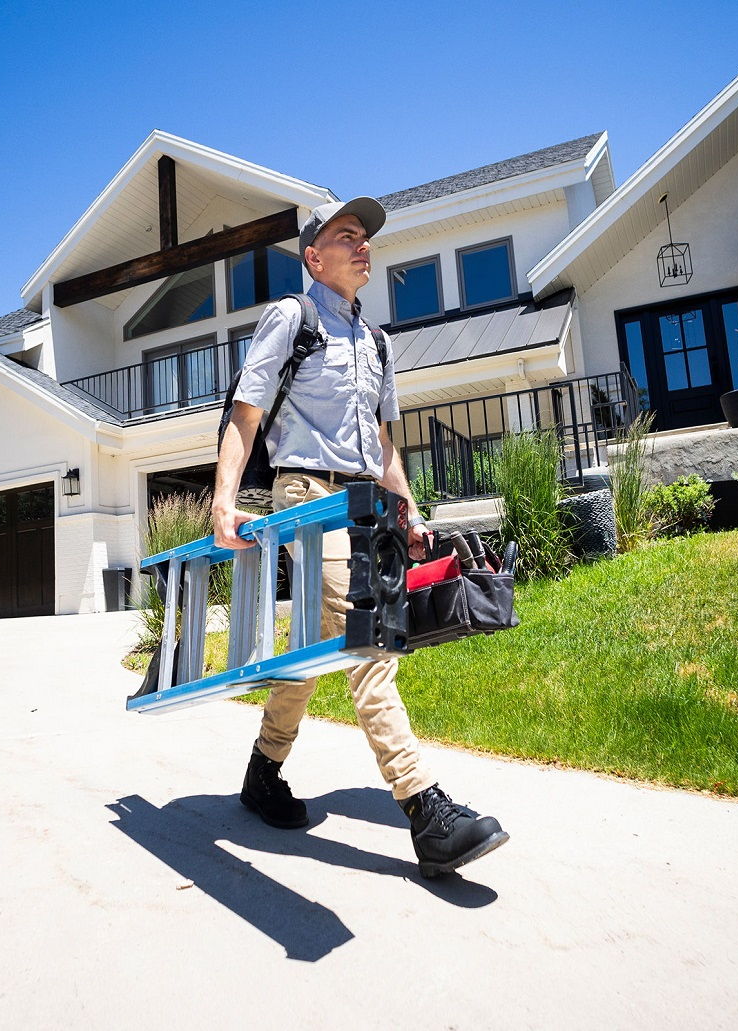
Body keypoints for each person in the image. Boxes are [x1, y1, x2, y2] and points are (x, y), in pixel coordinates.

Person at [212, 197, 508, 878]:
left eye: (366, 236)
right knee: (369, 636)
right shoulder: (293, 317)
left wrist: (411, 511)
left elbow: (381, 442)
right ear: (314, 256)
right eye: (347, 235)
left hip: (365, 498)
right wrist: (223, 502)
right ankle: (426, 809)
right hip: (304, 490)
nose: (363, 244)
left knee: (316, 647)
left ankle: (263, 771)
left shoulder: (378, 343)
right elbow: (247, 411)